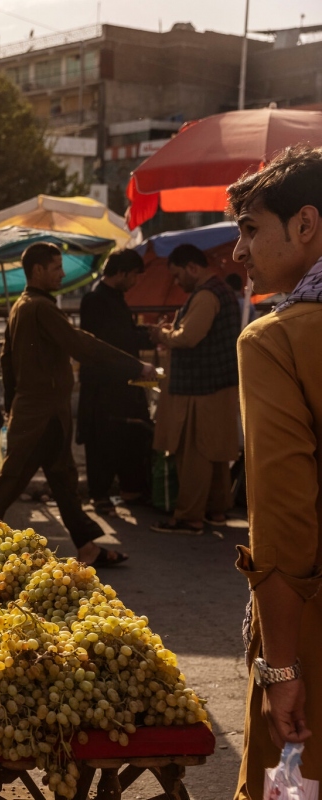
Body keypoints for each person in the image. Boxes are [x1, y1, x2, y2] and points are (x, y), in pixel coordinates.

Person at [227, 145, 322, 798]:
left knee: (289, 783)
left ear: (306, 227)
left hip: (310, 634)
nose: (239, 253)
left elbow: (284, 523)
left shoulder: (275, 341)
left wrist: (280, 669)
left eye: (251, 229)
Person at [0, 243, 155, 567]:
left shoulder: (24, 306)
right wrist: (134, 366)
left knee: (64, 481)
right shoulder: (39, 308)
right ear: (38, 270)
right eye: (57, 267)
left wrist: (11, 404)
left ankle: (87, 547)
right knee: (11, 481)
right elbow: (80, 344)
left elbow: (7, 361)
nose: (62, 273)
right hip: (40, 415)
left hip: (43, 414)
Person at [150, 243, 241, 534]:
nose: (177, 282)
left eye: (177, 275)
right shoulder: (219, 290)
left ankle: (190, 518)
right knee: (214, 452)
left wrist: (161, 333)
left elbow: (189, 337)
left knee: (193, 454)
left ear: (192, 267)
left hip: (200, 386)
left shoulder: (205, 295)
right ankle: (216, 511)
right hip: (216, 384)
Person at [76, 250, 153, 515]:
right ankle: (100, 495)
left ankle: (130, 490)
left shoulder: (115, 299)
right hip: (102, 384)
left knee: (127, 436)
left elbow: (125, 335)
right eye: (133, 276)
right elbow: (108, 342)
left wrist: (148, 335)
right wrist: (144, 341)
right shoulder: (95, 300)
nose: (134, 282)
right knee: (102, 440)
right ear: (121, 273)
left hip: (123, 381)